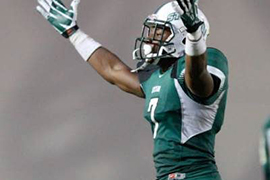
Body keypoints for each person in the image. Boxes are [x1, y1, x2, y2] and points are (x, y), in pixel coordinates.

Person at [36, 0, 229, 179]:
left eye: (160, 31)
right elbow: (113, 70)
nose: (151, 38)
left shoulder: (203, 64)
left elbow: (197, 79)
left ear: (183, 37)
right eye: (152, 30)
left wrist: (195, 37)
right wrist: (74, 34)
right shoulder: (157, 75)